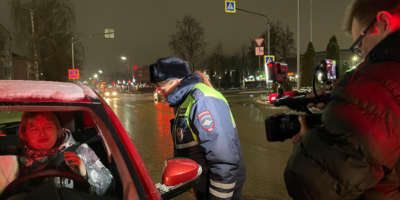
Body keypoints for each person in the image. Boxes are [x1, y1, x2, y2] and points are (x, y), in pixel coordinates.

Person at [285, 1, 400, 199]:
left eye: (360, 42)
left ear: (383, 22)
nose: (363, 54)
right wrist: (340, 95)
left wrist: (303, 142)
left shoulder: (377, 85)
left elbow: (311, 186)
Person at [149, 57, 246, 200]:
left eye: (162, 89)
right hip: (206, 183)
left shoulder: (202, 101)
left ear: (176, 81)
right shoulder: (185, 100)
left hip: (220, 188)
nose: (162, 95)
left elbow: (224, 160)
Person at [18, 112, 113, 195]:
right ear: (25, 135)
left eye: (48, 126)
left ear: (58, 131)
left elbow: (110, 185)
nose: (42, 133)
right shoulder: (16, 159)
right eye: (34, 129)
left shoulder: (81, 150)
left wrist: (86, 173)